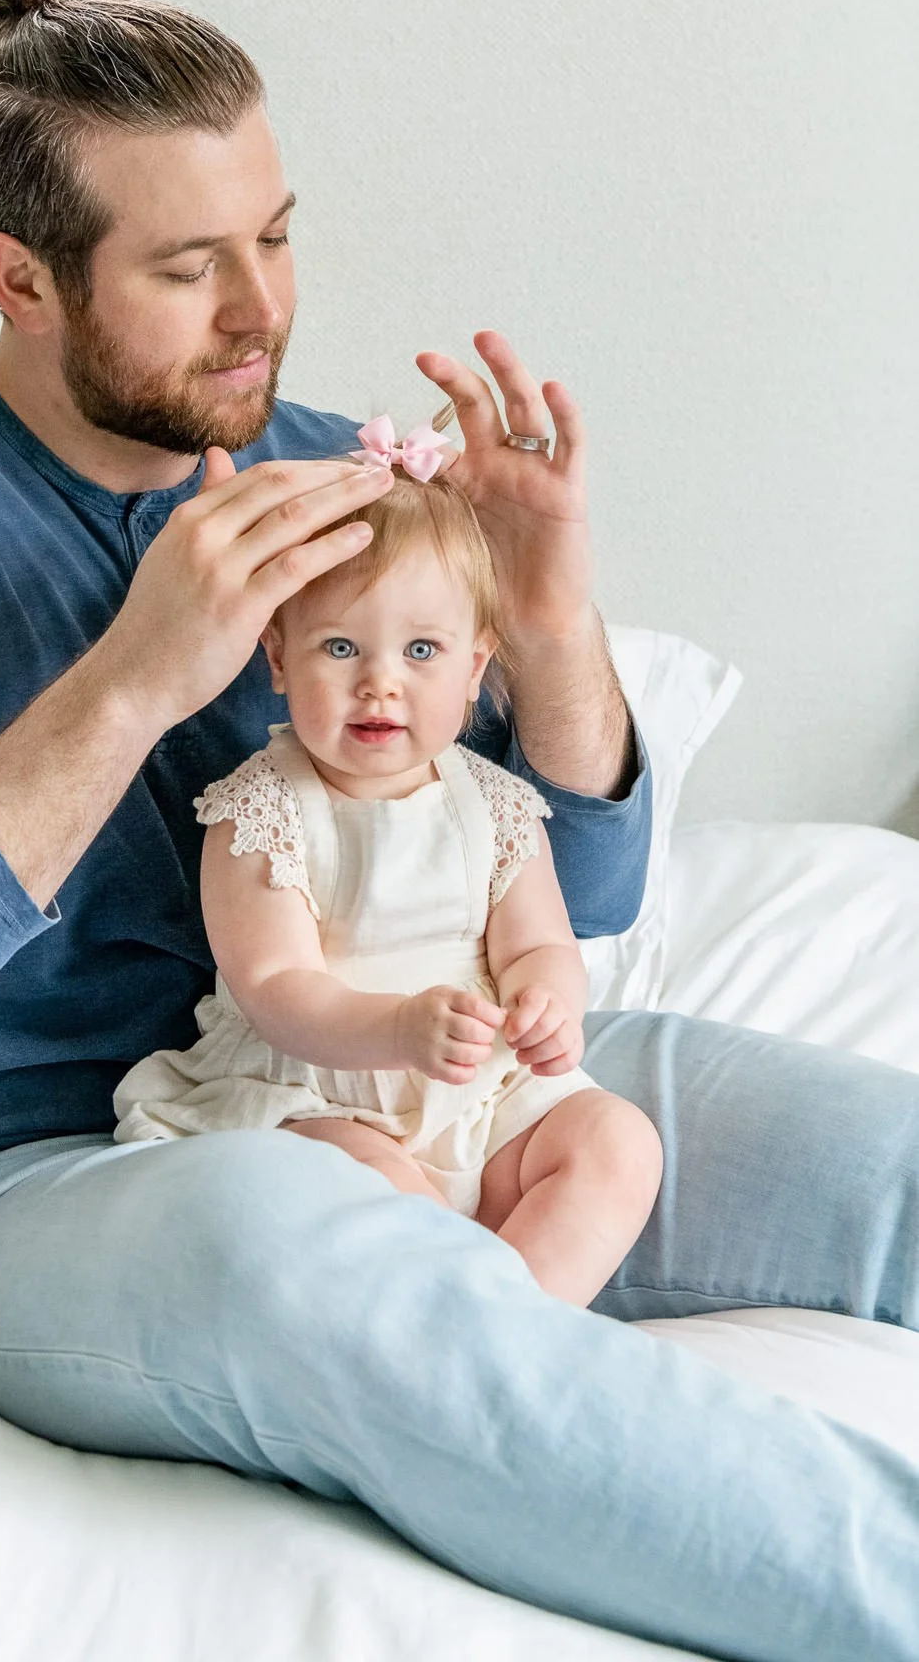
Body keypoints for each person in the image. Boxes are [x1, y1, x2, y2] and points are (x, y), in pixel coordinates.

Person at [0, 0, 919, 1661]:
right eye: (188, 264)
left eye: (272, 235)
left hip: (436, 1074)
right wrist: (132, 676)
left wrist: (549, 621)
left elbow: (579, 887)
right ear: (18, 277)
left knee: (884, 1162)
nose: (262, 307)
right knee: (319, 1260)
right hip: (46, 1175)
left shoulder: (337, 474)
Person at [113, 462, 665, 1307]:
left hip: (481, 1095)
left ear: (475, 667)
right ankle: (474, 1326)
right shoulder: (262, 810)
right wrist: (399, 1028)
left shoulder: (496, 805)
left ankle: (529, 1324)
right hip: (319, 1095)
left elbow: (542, 944)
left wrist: (548, 1003)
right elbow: (275, 989)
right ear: (278, 657)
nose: (381, 681)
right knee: (375, 1192)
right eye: (341, 647)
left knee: (617, 1142)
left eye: (421, 650)